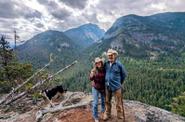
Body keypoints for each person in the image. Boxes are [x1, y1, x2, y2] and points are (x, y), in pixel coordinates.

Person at [103, 49, 127, 121]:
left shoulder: (119, 64)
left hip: (117, 87)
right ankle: (107, 114)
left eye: (111, 55)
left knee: (118, 104)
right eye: (109, 55)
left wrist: (119, 83)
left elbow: (124, 75)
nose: (110, 57)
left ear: (115, 56)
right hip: (108, 86)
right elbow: (102, 71)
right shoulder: (106, 64)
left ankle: (120, 118)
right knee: (107, 101)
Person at [89, 57, 105, 122]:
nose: (98, 63)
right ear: (95, 64)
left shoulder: (104, 69)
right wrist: (91, 75)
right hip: (95, 87)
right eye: (97, 63)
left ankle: (103, 111)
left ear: (101, 62)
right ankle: (96, 117)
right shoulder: (94, 70)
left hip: (103, 88)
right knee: (95, 103)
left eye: (99, 62)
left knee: (103, 101)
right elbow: (90, 79)